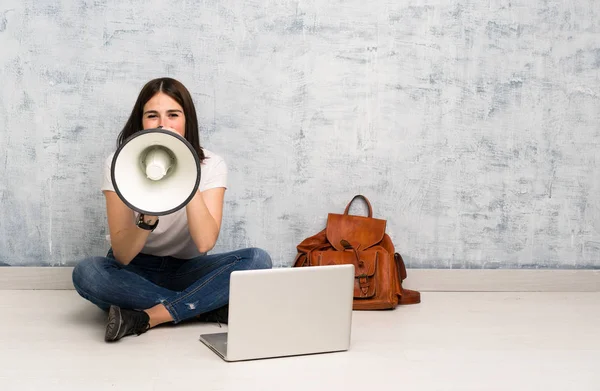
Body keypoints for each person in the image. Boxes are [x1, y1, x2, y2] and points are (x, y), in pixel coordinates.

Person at [72, 77, 272, 342]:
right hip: (136, 269)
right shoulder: (119, 163)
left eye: (173, 115)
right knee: (88, 273)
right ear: (141, 121)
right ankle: (202, 306)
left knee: (258, 260)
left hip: (188, 270)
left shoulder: (212, 165)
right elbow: (121, 255)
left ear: (187, 119)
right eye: (152, 115)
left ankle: (147, 316)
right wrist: (147, 217)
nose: (163, 124)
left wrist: (186, 176)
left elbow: (204, 243)